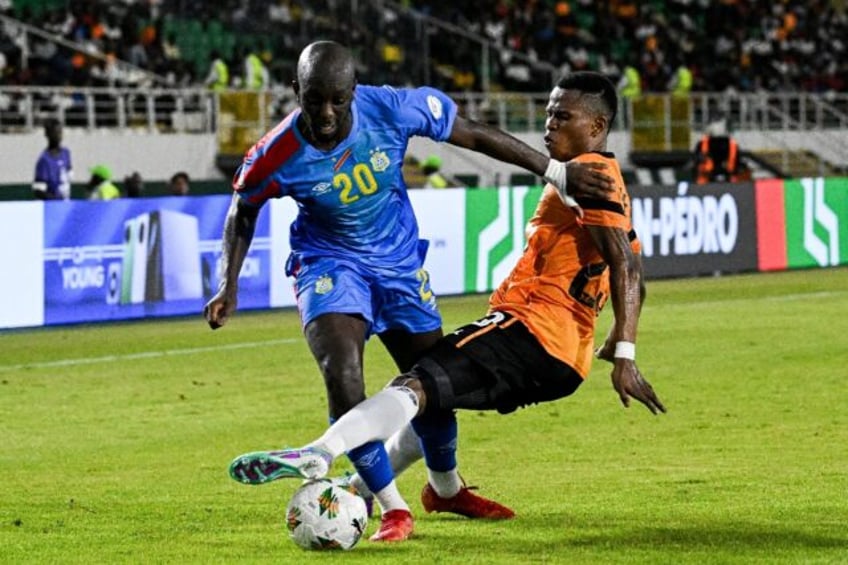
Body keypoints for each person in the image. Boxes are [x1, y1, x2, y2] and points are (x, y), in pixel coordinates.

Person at [205, 42, 616, 543]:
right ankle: (391, 506)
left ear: (354, 92)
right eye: (315, 101)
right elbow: (242, 209)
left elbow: (474, 134)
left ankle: (445, 489)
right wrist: (228, 283)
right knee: (344, 375)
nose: (328, 113)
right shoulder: (276, 154)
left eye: (338, 100)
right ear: (296, 92)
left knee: (434, 385)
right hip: (328, 263)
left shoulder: (393, 107)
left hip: (398, 266)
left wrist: (553, 170)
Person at [32, 118, 72, 200]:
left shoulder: (66, 153)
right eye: (55, 133)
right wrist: (55, 201)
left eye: (60, 132)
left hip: (66, 203)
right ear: (47, 134)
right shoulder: (44, 160)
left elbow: (68, 174)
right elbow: (39, 190)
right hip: (53, 206)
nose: (58, 136)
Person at [693, 119, 742, 184]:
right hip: (705, 184)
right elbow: (696, 162)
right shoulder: (702, 144)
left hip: (729, 183)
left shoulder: (733, 146)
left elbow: (738, 164)